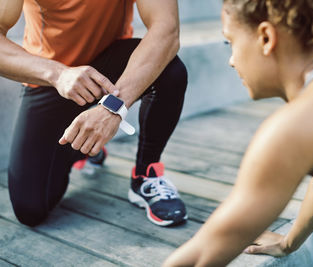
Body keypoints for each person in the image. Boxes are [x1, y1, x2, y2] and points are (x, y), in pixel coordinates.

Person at [163, 0, 313, 265]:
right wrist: (290, 241)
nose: (231, 61)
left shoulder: (293, 128)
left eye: (230, 42)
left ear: (266, 37)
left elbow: (202, 254)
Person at [2, 0, 188, 227]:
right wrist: (58, 74)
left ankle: (146, 174)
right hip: (51, 75)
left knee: (170, 70)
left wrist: (114, 105)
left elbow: (166, 30)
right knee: (30, 209)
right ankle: (84, 147)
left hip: (110, 68)